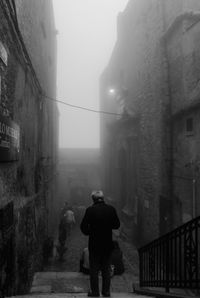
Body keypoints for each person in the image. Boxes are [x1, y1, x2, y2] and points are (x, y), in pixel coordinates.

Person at [80, 190, 120, 297]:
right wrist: (107, 226)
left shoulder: (90, 210)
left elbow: (83, 227)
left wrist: (90, 232)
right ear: (103, 198)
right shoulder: (111, 209)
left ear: (93, 199)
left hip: (94, 245)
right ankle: (106, 292)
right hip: (107, 245)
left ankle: (95, 292)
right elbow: (117, 225)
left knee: (94, 270)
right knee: (106, 270)